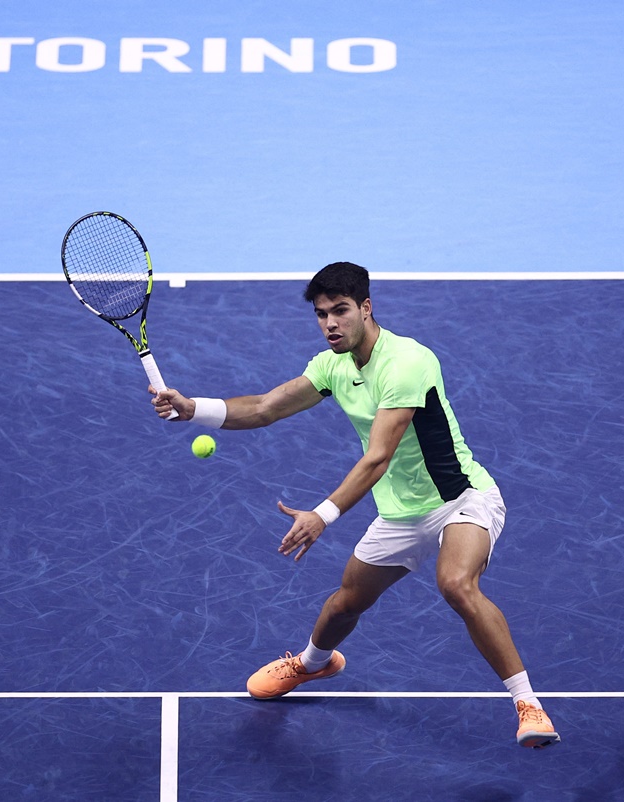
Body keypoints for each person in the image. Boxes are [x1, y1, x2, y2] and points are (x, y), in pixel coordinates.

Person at [150, 262, 559, 748]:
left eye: (340, 311)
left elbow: (378, 457)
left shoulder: (407, 362)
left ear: (366, 308)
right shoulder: (332, 366)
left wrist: (322, 515)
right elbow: (265, 407)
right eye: (321, 315)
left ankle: (528, 705)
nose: (330, 324)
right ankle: (312, 663)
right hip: (400, 513)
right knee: (348, 601)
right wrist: (194, 407)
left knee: (455, 583)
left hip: (461, 500)